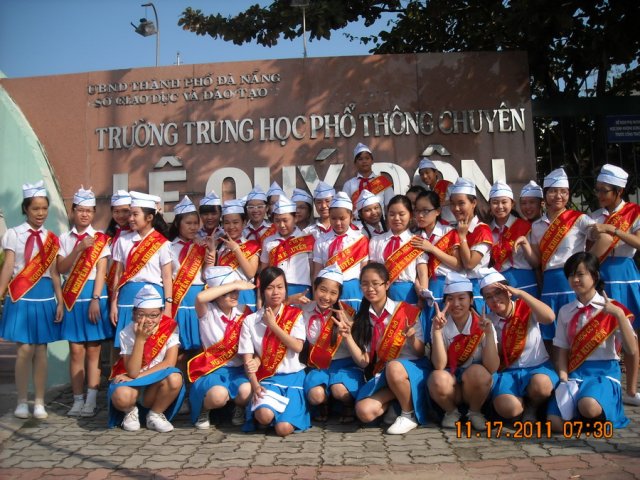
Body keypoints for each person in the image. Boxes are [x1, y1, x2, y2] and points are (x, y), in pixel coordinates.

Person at [547, 252, 638, 431]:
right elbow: (562, 349)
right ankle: (585, 419)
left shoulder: (614, 308)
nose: (575, 280)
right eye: (571, 275)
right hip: (575, 373)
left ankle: (593, 413)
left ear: (595, 276)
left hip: (604, 374)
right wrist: (563, 378)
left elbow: (631, 349)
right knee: (554, 423)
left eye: (580, 274)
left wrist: (619, 316)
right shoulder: (566, 311)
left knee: (588, 405)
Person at [0, 180, 63, 419]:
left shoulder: (51, 238)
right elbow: (8, 267)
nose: (40, 213)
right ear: (26, 208)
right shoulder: (14, 234)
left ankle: (39, 402)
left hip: (45, 295)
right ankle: (21, 400)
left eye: (44, 208)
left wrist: (59, 300)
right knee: (24, 350)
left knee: (41, 350)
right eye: (35, 208)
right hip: (22, 294)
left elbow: (55, 273)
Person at [514, 168, 596, 340]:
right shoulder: (537, 226)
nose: (558, 196)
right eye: (553, 191)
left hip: (573, 279)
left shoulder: (579, 219)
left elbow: (597, 237)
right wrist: (525, 245)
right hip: (550, 282)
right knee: (551, 333)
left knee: (577, 329)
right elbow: (536, 262)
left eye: (563, 192)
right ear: (545, 195)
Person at [353, 263, 429, 435]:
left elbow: (420, 352)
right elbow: (365, 359)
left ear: (387, 285)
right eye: (365, 284)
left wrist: (411, 339)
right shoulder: (363, 318)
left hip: (412, 367)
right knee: (364, 411)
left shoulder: (406, 311)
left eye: (375, 283)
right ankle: (398, 401)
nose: (370, 289)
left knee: (394, 366)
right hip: (384, 373)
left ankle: (408, 414)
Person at [57, 187, 112, 417]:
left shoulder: (100, 239)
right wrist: (78, 250)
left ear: (94, 213)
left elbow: (101, 271)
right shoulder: (64, 238)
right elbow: (61, 268)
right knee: (76, 350)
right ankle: (77, 399)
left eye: (89, 211)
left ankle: (91, 399)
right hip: (72, 296)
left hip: (92, 295)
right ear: (73, 211)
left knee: (93, 350)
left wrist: (95, 299)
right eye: (80, 210)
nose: (84, 214)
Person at [589, 164, 640, 406]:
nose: (599, 194)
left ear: (619, 191)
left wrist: (614, 230)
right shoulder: (594, 216)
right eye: (597, 189)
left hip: (625, 274)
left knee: (631, 333)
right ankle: (606, 384)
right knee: (601, 332)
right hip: (601, 275)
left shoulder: (634, 212)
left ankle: (631, 389)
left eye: (604, 190)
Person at [479, 268, 558, 423]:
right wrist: (488, 334)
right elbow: (492, 364)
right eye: (488, 297)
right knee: (508, 408)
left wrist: (521, 294)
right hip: (508, 372)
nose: (494, 299)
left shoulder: (525, 307)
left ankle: (533, 407)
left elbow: (549, 317)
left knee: (541, 385)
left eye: (498, 293)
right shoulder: (488, 321)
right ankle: (520, 408)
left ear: (509, 292)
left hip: (536, 368)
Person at [238, 267, 310, 436]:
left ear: (286, 289)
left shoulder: (296, 315)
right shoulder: (250, 321)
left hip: (293, 379)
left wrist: (273, 326)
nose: (275, 292)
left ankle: (282, 416)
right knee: (264, 416)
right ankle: (267, 415)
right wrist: (255, 385)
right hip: (268, 379)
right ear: (262, 291)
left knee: (283, 429)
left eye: (280, 287)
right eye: (270, 288)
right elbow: (248, 361)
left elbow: (297, 347)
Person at [107, 285, 184, 432]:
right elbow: (133, 371)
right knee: (120, 396)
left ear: (161, 314)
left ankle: (155, 414)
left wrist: (140, 376)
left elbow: (169, 363)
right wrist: (140, 339)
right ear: (133, 313)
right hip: (133, 385)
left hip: (155, 382)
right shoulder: (126, 333)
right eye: (141, 314)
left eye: (153, 315)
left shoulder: (170, 327)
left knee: (175, 377)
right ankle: (130, 411)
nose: (147, 320)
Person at [428, 272, 499, 431]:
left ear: (471, 300)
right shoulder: (439, 324)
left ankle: (475, 412)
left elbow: (492, 367)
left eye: (461, 298)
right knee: (436, 377)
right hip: (451, 384)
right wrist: (437, 331)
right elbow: (439, 365)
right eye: (450, 299)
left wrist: (488, 334)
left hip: (475, 386)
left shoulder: (483, 324)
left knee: (478, 372)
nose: (456, 304)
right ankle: (451, 412)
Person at [189, 267, 256, 429]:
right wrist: (234, 284)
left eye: (236, 292)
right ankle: (204, 409)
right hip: (213, 369)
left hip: (238, 370)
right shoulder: (207, 311)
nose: (234, 295)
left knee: (247, 391)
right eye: (228, 292)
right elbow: (200, 297)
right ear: (217, 293)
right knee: (218, 396)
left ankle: (238, 408)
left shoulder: (243, 311)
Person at [302, 265, 367, 423]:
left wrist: (349, 332)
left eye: (333, 293)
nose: (326, 297)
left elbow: (361, 352)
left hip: (345, 365)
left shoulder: (347, 314)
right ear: (315, 288)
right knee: (316, 395)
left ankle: (347, 404)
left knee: (340, 391)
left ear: (339, 295)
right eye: (322, 290)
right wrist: (289, 300)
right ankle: (325, 403)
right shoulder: (304, 310)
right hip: (319, 365)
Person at [109, 191, 172, 348]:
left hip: (154, 297)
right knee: (125, 345)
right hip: (127, 296)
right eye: (130, 214)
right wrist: (113, 303)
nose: (130, 218)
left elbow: (167, 276)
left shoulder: (162, 243)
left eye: (135, 214)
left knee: (152, 345)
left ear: (149, 217)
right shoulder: (123, 240)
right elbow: (118, 274)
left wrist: (168, 306)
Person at [410, 190, 461, 338]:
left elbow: (457, 264)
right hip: (427, 288)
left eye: (425, 211)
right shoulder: (415, 236)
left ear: (437, 211)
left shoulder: (449, 232)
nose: (420, 215)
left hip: (448, 286)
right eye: (417, 211)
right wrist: (419, 287)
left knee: (449, 332)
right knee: (430, 331)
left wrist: (432, 248)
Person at [312, 192, 368, 310]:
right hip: (328, 292)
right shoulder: (321, 240)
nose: (338, 223)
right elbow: (317, 271)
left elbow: (364, 270)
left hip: (353, 291)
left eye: (342, 218)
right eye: (333, 218)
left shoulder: (360, 239)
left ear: (351, 217)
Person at [369, 195, 428, 304]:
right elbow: (372, 271)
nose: (396, 218)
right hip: (382, 293)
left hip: (408, 293)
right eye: (392, 214)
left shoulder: (417, 241)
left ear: (410, 215)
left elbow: (422, 273)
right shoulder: (376, 241)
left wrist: (423, 295)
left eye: (401, 214)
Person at [448, 178, 494, 312]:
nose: (456, 208)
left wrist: (462, 237)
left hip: (477, 289)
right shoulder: (452, 229)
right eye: (452, 204)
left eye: (461, 203)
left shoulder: (482, 230)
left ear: (473, 203)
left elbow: (469, 264)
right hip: (457, 290)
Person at [168, 195, 206, 352]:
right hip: (179, 298)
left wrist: (210, 251)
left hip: (198, 296)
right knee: (178, 346)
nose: (193, 227)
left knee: (200, 345)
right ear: (178, 224)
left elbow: (207, 273)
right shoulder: (168, 247)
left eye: (196, 223)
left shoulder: (202, 246)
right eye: (188, 223)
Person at [488, 181, 538, 296]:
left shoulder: (525, 226)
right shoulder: (487, 230)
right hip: (500, 283)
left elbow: (535, 263)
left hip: (525, 281)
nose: (500, 206)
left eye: (504, 202)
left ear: (512, 203)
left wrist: (525, 244)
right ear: (489, 205)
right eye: (495, 202)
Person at [260, 196, 313, 297]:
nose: (282, 225)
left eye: (285, 220)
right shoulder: (268, 241)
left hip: (301, 289)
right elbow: (264, 271)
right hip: (275, 290)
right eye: (277, 221)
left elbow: (312, 270)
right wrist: (260, 297)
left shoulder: (307, 239)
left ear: (295, 218)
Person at [216, 199, 260, 311]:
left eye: (235, 222)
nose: (231, 227)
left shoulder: (252, 245)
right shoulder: (219, 246)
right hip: (223, 295)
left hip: (244, 294)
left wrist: (236, 249)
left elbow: (250, 273)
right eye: (227, 223)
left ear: (244, 223)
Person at [343, 143, 394, 210]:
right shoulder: (349, 184)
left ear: (372, 161)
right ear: (355, 163)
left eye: (367, 158)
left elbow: (390, 206)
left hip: (379, 217)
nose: (364, 161)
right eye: (360, 159)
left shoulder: (382, 182)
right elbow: (344, 208)